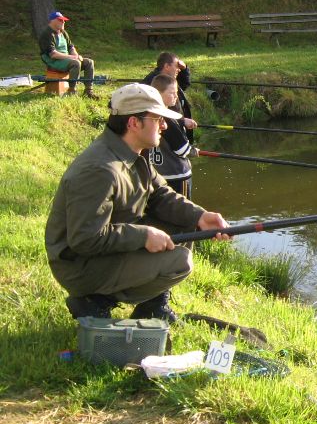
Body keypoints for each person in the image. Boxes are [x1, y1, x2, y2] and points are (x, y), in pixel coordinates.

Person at [45, 83, 229, 323]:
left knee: (186, 223)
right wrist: (144, 236)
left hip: (104, 250)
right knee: (180, 262)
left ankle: (152, 306)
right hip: (79, 266)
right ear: (133, 123)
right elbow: (85, 239)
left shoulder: (133, 153)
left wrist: (200, 216)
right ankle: (95, 300)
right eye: (158, 119)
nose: (164, 126)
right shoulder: (99, 170)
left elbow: (161, 195)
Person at [150, 74, 197, 197]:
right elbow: (183, 150)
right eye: (172, 93)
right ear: (158, 94)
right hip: (177, 176)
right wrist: (193, 151)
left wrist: (181, 122)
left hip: (156, 175)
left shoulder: (150, 115)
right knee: (182, 208)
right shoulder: (167, 120)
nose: (176, 96)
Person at [37, 11, 98, 98]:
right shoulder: (47, 34)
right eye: (60, 20)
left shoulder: (63, 32)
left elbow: (71, 47)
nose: (63, 22)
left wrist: (76, 56)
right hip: (54, 62)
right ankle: (72, 91)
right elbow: (53, 54)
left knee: (89, 62)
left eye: (64, 20)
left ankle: (88, 91)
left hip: (66, 60)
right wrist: (73, 57)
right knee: (75, 63)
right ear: (52, 21)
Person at [143, 52, 196, 143]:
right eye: (176, 66)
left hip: (175, 128)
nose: (179, 69)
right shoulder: (153, 83)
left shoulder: (168, 80)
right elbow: (158, 112)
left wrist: (184, 69)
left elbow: (184, 85)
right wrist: (182, 121)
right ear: (167, 66)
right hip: (164, 136)